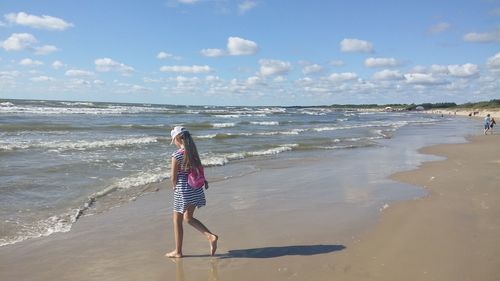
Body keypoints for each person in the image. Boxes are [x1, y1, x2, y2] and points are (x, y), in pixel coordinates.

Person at [166, 126, 218, 258]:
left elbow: (173, 177)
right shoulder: (193, 153)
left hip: (183, 191)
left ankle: (178, 251)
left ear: (177, 139)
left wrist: (173, 187)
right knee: (188, 218)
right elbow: (200, 169)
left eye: (175, 141)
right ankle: (210, 236)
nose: (175, 143)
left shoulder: (177, 155)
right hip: (196, 189)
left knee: (177, 221)